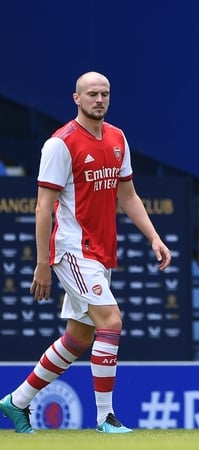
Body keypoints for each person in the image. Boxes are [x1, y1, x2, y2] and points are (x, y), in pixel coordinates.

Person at [0, 71, 172, 434]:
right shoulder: (60, 144)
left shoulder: (117, 138)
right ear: (76, 98)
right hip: (73, 249)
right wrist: (42, 264)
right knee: (111, 321)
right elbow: (43, 207)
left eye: (104, 93)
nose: (99, 99)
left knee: (79, 337)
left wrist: (154, 237)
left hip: (101, 251)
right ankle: (105, 418)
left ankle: (16, 402)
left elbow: (128, 195)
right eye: (92, 94)